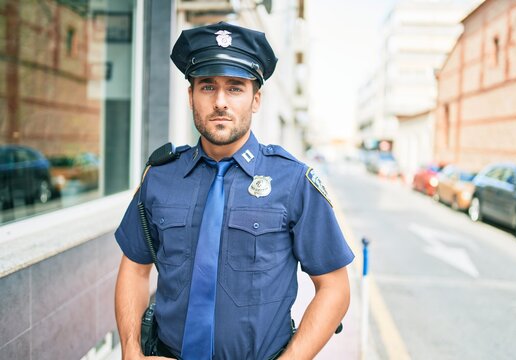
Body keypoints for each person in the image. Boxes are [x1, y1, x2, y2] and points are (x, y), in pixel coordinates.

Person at [114, 21, 354, 360]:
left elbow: (335, 287)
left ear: (256, 100)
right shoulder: (160, 177)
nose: (221, 102)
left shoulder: (294, 182)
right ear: (190, 95)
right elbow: (135, 269)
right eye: (208, 86)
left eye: (236, 88)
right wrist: (131, 352)